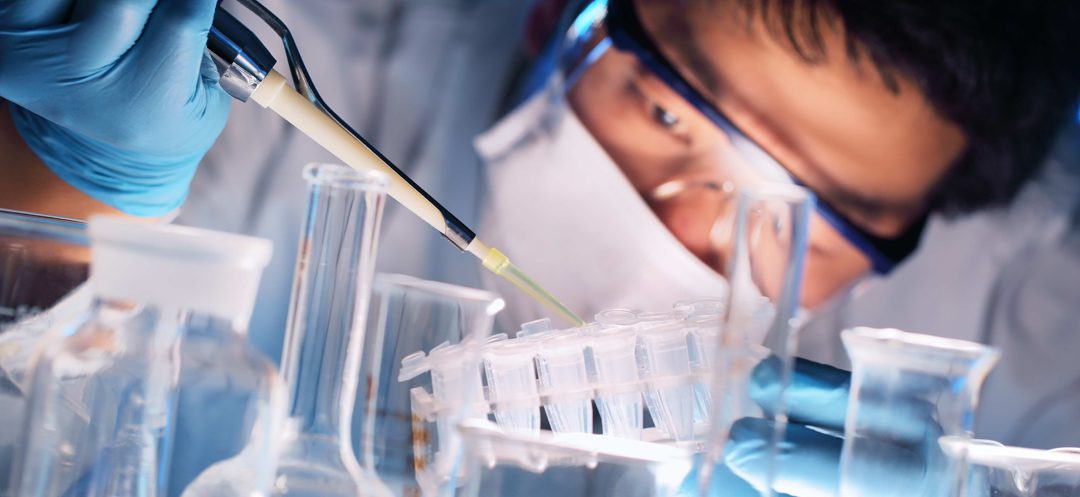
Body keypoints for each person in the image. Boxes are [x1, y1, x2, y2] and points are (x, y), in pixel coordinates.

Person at [1, 0, 1078, 495]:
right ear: (559, 23)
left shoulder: (1039, 308)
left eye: (811, 211)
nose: (686, 230)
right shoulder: (338, 43)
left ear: (920, 227)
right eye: (667, 114)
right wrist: (79, 170)